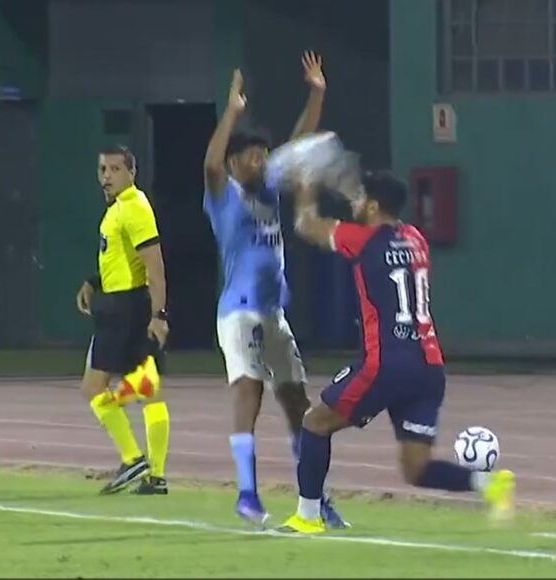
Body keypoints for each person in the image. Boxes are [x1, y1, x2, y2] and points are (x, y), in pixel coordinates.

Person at [274, 169, 515, 535]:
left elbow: (307, 225)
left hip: (384, 361)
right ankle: (488, 485)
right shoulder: (416, 239)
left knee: (314, 422)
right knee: (415, 468)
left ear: (372, 206)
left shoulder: (363, 239)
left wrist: (306, 180)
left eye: (359, 198)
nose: (353, 203)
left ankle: (308, 516)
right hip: (428, 365)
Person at [202, 53, 346, 528]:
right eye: (253, 154)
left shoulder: (269, 191)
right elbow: (210, 163)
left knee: (298, 404)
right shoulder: (225, 194)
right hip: (238, 312)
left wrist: (317, 93)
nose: (262, 159)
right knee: (248, 391)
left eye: (264, 154)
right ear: (235, 161)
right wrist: (232, 112)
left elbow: (299, 144)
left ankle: (314, 499)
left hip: (272, 313)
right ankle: (247, 494)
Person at [76, 145, 172, 495]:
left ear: (131, 173)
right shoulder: (120, 209)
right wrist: (94, 280)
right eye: (103, 169)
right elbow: (121, 258)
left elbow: (155, 268)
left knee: (92, 388)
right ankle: (156, 476)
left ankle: (133, 459)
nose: (106, 177)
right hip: (127, 303)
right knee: (147, 391)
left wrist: (159, 315)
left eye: (115, 170)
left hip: (125, 310)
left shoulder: (133, 209)